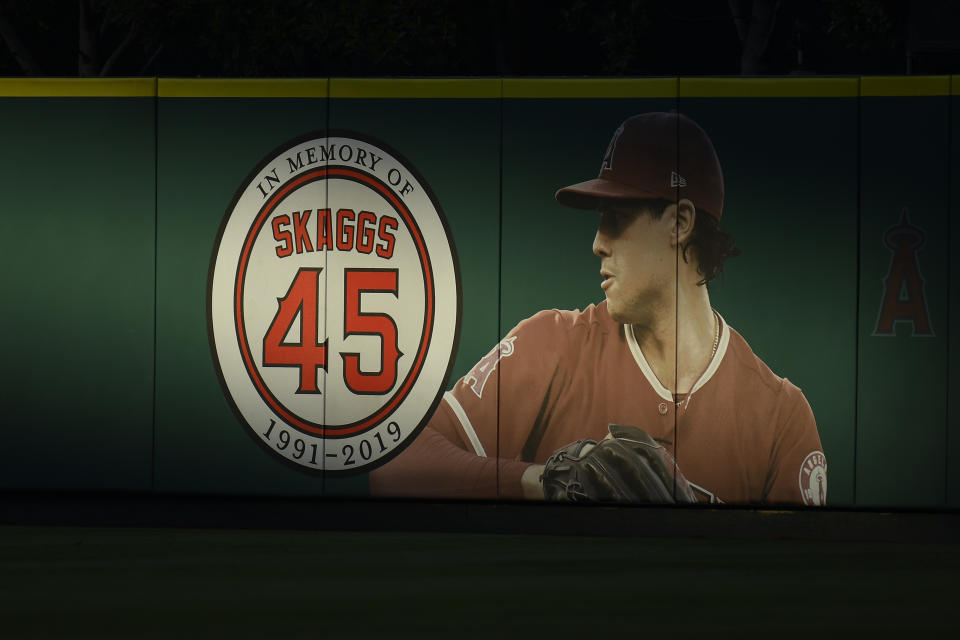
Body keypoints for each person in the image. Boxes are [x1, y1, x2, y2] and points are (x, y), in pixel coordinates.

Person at [370, 112, 826, 505]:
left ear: (680, 223)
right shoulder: (550, 345)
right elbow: (395, 465)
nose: (596, 243)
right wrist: (541, 482)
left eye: (616, 218)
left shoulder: (780, 418)